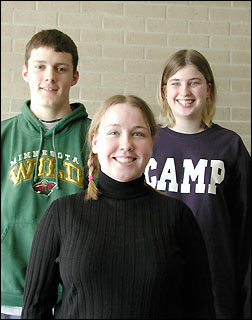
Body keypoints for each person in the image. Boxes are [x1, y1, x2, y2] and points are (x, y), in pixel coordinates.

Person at [21, 94, 216, 319]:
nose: (126, 145)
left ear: (152, 143)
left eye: (138, 134)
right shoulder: (61, 214)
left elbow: (201, 308)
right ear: (95, 142)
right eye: (114, 132)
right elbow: (35, 309)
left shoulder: (178, 217)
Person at [144, 49, 251, 319]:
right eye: (176, 83)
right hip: (154, 288)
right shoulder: (147, 142)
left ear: (208, 89)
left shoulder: (230, 145)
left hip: (215, 290)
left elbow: (245, 231)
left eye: (194, 82)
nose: (185, 91)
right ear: (164, 90)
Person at [1, 29, 91, 319]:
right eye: (40, 66)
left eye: (60, 68)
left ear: (74, 76)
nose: (50, 76)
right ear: (26, 72)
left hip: (75, 295)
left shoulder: (97, 137)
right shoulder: (3, 136)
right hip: (8, 293)